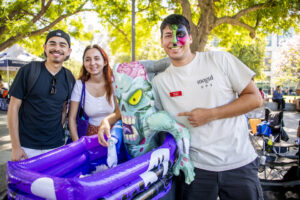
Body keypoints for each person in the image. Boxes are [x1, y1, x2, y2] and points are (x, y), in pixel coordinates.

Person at [151, 14, 263, 200]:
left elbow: (255, 98)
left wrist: (211, 114)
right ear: (162, 41)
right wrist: (110, 120)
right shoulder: (159, 83)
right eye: (168, 35)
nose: (174, 40)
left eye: (180, 33)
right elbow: (141, 113)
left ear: (191, 37)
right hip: (195, 171)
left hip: (239, 163)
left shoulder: (220, 60)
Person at [8, 29, 75, 161]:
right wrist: (16, 147)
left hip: (56, 146)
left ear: (68, 51)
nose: (57, 48)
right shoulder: (28, 71)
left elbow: (63, 110)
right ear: (45, 48)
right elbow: (13, 108)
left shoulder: (69, 77)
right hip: (26, 147)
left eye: (62, 45)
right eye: (52, 44)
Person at [68, 44, 120, 141]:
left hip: (111, 135)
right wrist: (78, 145)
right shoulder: (80, 85)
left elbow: (119, 112)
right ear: (83, 63)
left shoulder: (114, 82)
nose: (92, 63)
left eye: (96, 58)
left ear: (105, 62)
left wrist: (106, 121)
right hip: (88, 137)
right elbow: (71, 119)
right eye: (87, 59)